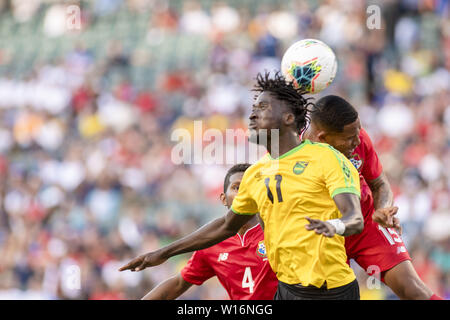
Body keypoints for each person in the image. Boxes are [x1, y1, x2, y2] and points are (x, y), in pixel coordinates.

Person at [119, 71, 364, 300]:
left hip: (330, 290)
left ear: (289, 117)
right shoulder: (256, 173)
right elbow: (226, 225)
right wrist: (164, 253)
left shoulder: (326, 158)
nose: (252, 115)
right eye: (254, 107)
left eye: (263, 107)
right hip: (288, 289)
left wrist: (333, 225)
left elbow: (354, 218)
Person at [303, 95, 443, 300]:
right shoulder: (294, 155)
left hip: (366, 223)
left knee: (413, 290)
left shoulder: (357, 139)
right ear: (322, 138)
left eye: (358, 132)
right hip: (321, 232)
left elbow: (379, 184)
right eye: (350, 138)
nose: (358, 141)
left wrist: (383, 208)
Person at [142, 163, 278, 300]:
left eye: (249, 187)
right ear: (224, 199)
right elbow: (178, 284)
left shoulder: (276, 229)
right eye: (237, 187)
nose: (244, 193)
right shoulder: (212, 243)